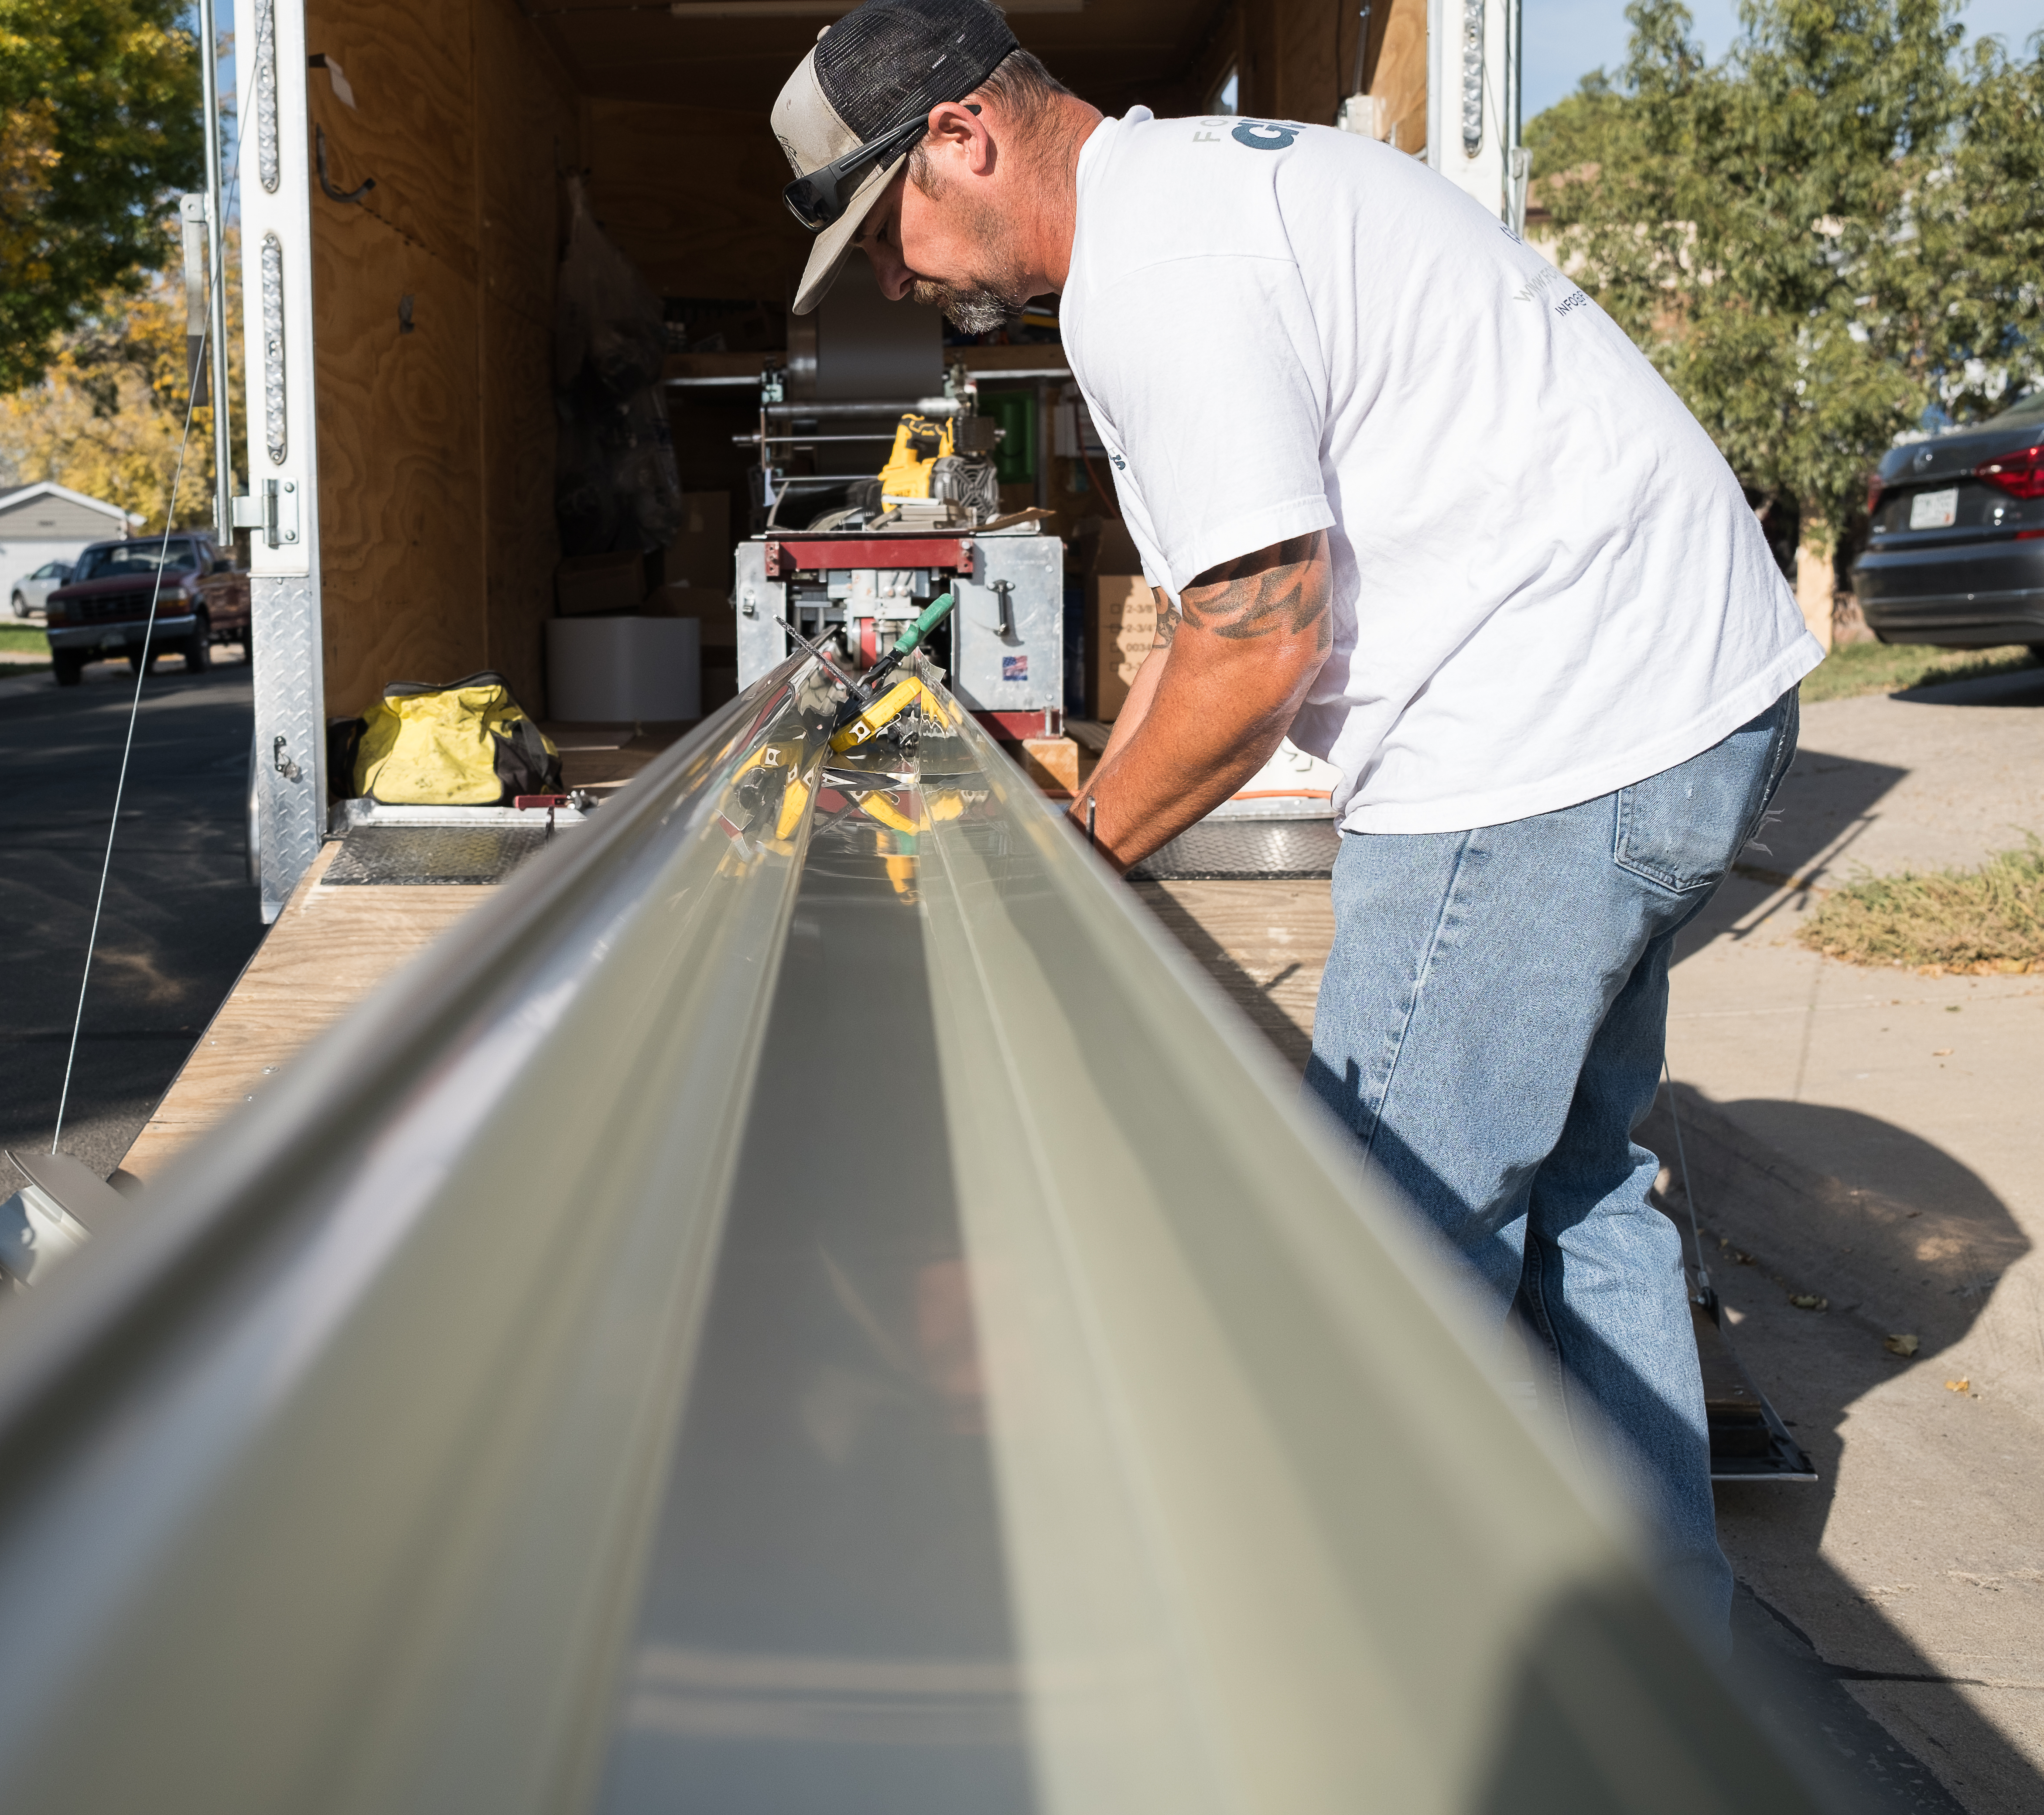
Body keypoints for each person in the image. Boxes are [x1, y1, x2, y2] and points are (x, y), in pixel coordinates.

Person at [767, 0, 1821, 1642]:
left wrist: (1073, 859)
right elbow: (1228, 624)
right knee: (1577, 1194)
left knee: (1373, 1260)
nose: (894, 283)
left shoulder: (1159, 274)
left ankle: (1365, 1686)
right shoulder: (1196, 193)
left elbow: (1262, 639)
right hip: (1679, 708)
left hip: (1538, 748)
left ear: (962, 137)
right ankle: (1666, 1667)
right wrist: (1095, 801)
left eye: (882, 233)